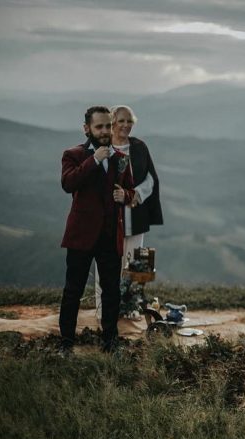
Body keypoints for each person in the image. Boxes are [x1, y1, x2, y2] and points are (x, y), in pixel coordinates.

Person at [58, 106, 135, 355]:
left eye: (108, 126)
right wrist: (94, 160)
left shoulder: (121, 158)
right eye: (99, 127)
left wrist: (125, 195)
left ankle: (110, 343)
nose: (104, 131)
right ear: (87, 129)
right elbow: (68, 184)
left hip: (110, 235)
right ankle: (66, 343)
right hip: (81, 236)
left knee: (111, 292)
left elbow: (131, 191)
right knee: (73, 290)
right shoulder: (73, 154)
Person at [94, 105, 163, 319]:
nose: (125, 125)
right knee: (105, 263)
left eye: (129, 121)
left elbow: (150, 180)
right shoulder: (102, 149)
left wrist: (132, 195)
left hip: (135, 215)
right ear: (112, 122)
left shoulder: (139, 147)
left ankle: (131, 307)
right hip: (108, 218)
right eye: (121, 120)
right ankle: (103, 308)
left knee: (134, 262)